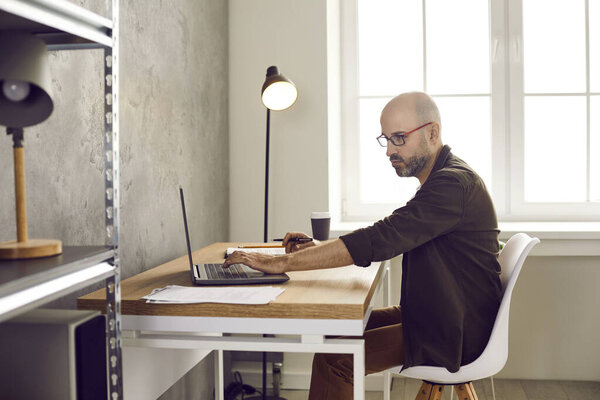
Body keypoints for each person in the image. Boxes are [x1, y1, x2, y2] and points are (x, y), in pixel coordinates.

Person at [223, 91, 502, 399]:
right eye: (386, 139)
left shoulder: (452, 185)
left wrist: (281, 263)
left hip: (454, 331)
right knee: (336, 332)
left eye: (399, 138)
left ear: (432, 132)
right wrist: (317, 248)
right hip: (438, 315)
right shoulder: (446, 179)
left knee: (336, 359)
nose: (389, 151)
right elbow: (390, 234)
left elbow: (382, 238)